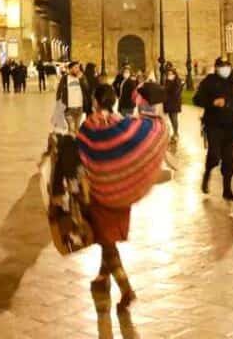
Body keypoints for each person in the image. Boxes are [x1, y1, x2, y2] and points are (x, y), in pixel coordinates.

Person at [77, 85, 167, 312]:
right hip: (121, 193)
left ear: (96, 101)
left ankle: (126, 289)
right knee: (106, 237)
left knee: (107, 242)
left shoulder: (90, 125)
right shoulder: (122, 122)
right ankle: (101, 278)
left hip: (100, 193)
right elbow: (134, 138)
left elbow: (81, 154)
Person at [193, 57, 233, 201]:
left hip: (230, 126)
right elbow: (197, 100)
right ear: (217, 67)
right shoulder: (209, 82)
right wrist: (212, 102)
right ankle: (207, 173)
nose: (225, 69)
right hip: (213, 125)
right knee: (214, 155)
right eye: (222, 66)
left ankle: (227, 190)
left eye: (227, 66)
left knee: (229, 159)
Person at [56, 61, 91, 132]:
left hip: (79, 107)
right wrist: (59, 105)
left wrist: (82, 79)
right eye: (76, 68)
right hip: (68, 108)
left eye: (78, 67)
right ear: (70, 69)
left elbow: (87, 89)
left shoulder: (82, 77)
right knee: (71, 128)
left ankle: (75, 142)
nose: (78, 69)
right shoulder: (65, 78)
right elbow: (59, 91)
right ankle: (70, 141)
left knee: (77, 128)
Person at [162, 65, 183, 140]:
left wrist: (169, 84)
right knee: (171, 118)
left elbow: (176, 92)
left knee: (174, 118)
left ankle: (176, 133)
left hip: (175, 103)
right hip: (168, 103)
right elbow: (165, 91)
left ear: (174, 74)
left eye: (171, 74)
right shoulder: (167, 81)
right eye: (168, 74)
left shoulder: (177, 81)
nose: (169, 75)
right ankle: (174, 132)